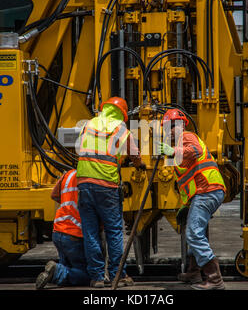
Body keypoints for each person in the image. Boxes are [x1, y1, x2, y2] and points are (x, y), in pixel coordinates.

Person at [76, 97, 145, 288]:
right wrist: (140, 165)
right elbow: (135, 155)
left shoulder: (89, 124)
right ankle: (118, 275)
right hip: (106, 185)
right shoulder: (120, 128)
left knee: (90, 233)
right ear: (122, 114)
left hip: (83, 182)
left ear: (103, 109)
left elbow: (81, 149)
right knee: (114, 231)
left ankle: (97, 277)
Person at [157, 108, 226, 290]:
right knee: (194, 231)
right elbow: (188, 181)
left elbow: (194, 150)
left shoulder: (187, 137)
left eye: (173, 126)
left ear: (181, 125)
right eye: (167, 128)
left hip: (208, 190)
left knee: (194, 233)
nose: (170, 131)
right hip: (203, 193)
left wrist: (172, 150)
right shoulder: (179, 148)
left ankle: (215, 279)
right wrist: (185, 205)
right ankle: (194, 272)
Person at [35, 169, 90, 289]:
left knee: (69, 268)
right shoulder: (88, 177)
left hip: (58, 230)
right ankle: (57, 272)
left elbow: (54, 194)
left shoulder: (68, 174)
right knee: (87, 275)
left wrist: (68, 203)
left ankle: (59, 271)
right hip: (74, 233)